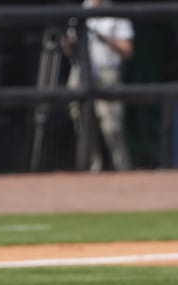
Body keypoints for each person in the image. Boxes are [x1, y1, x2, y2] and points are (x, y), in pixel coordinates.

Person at [62, 0, 134, 172]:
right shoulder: (79, 12)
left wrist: (104, 39)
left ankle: (123, 168)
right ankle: (93, 168)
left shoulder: (116, 14)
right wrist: (68, 45)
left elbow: (127, 51)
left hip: (107, 72)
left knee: (111, 125)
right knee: (82, 121)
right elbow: (69, 50)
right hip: (81, 71)